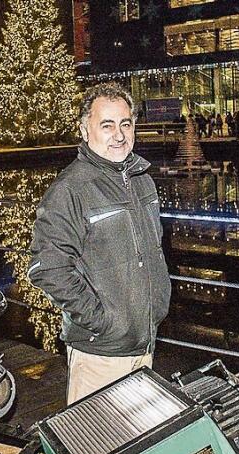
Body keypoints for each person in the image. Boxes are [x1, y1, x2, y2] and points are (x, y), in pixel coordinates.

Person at [28, 82, 171, 405]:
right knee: (96, 450)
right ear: (84, 129)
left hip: (144, 344)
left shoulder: (142, 181)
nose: (119, 135)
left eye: (125, 123)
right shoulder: (71, 190)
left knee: (136, 448)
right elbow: (47, 268)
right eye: (106, 125)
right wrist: (102, 322)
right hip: (101, 355)